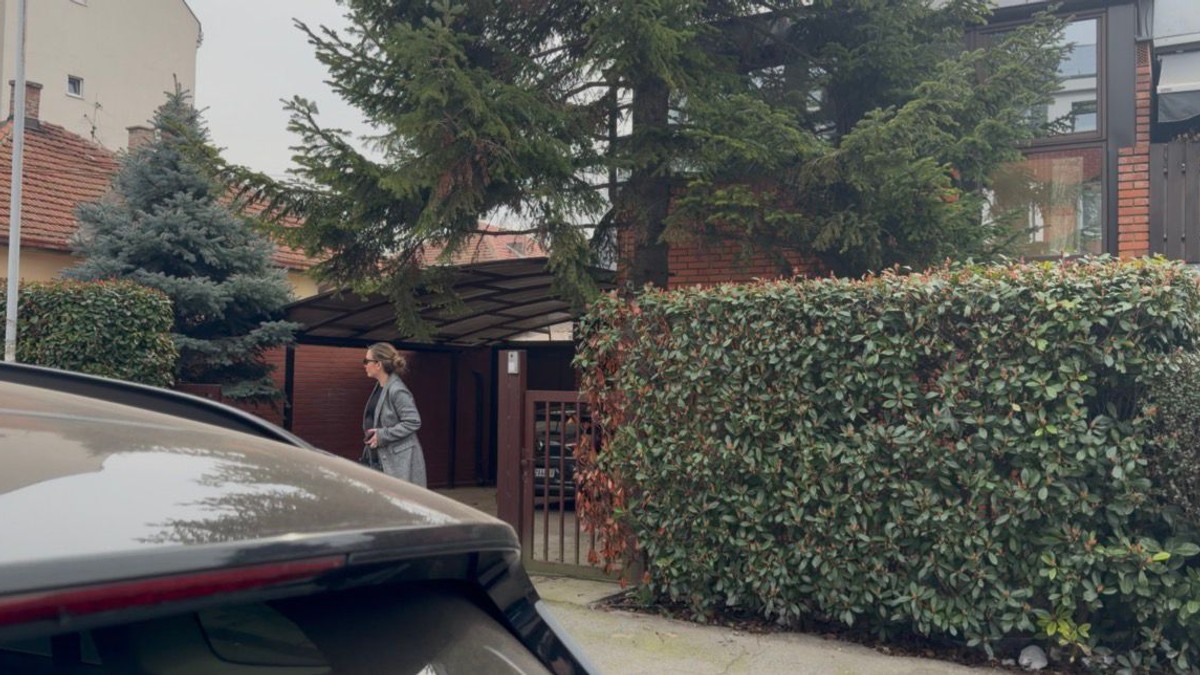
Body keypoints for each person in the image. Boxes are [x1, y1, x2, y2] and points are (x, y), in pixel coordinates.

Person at [361, 342, 427, 487]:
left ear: (378, 364)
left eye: (366, 361)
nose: (364, 365)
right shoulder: (380, 386)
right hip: (381, 459)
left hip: (399, 463)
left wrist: (382, 435)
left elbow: (413, 422)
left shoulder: (397, 390)